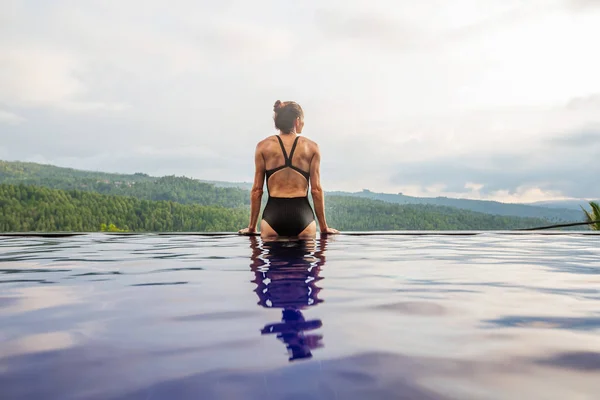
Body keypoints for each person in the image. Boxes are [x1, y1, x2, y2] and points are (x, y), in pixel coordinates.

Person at [238, 100, 339, 238]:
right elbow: (316, 190)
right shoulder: (312, 147)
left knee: (273, 258)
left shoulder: (263, 147)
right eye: (302, 120)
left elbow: (257, 190)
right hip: (303, 218)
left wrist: (251, 228)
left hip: (272, 218)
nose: (303, 123)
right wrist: (324, 228)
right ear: (296, 121)